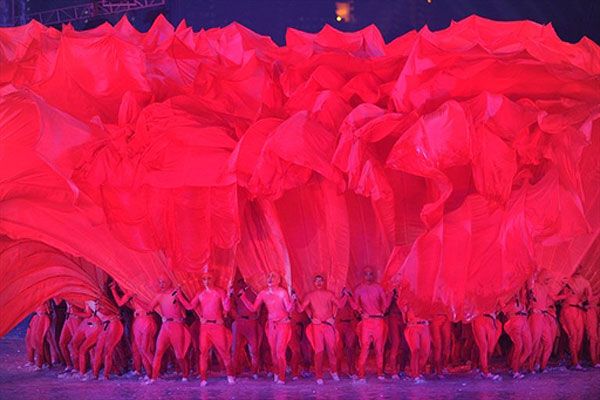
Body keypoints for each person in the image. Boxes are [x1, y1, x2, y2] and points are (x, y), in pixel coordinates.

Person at [177, 271, 235, 386]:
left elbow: (227, 308)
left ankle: (230, 375)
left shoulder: (219, 292)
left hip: (217, 326)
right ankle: (203, 378)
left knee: (224, 352)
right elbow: (189, 307)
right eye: (204, 279)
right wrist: (179, 295)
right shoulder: (200, 293)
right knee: (203, 353)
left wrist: (228, 295)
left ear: (213, 279)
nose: (206, 281)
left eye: (209, 278)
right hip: (205, 327)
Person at [240, 272, 294, 384]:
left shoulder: (282, 292)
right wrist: (243, 297)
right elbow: (253, 309)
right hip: (271, 325)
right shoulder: (263, 293)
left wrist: (293, 300)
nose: (270, 278)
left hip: (283, 324)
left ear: (278, 280)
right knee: (273, 351)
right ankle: (276, 373)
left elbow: (289, 309)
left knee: (280, 351)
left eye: (273, 276)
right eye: (268, 276)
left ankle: (282, 377)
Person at [346, 266, 393, 382]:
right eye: (366, 274)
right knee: (364, 348)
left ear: (373, 275)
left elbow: (385, 304)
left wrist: (391, 294)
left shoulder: (378, 287)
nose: (368, 276)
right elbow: (355, 305)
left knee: (379, 348)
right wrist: (360, 311)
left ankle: (380, 373)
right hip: (366, 322)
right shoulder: (358, 289)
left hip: (378, 321)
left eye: (370, 274)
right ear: (363, 275)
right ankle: (361, 375)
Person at [295, 274, 341, 384]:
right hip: (317, 326)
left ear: (324, 282)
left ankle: (334, 371)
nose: (319, 283)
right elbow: (301, 309)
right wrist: (295, 299)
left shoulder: (329, 294)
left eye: (321, 280)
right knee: (319, 351)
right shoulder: (310, 295)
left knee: (332, 350)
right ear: (314, 283)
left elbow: (339, 305)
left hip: (328, 325)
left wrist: (333, 317)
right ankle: (319, 376)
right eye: (317, 281)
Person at [146, 274, 191, 382]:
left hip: (176, 325)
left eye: (164, 282)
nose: (162, 284)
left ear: (169, 282)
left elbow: (188, 306)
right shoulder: (159, 295)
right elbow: (149, 308)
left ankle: (185, 375)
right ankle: (153, 378)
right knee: (158, 352)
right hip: (165, 326)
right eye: (160, 282)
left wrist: (181, 296)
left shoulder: (176, 292)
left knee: (179, 354)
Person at [110, 282, 157, 377]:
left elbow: (150, 308)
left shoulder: (145, 289)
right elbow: (120, 303)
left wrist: (136, 298)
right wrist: (113, 290)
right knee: (141, 350)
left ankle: (156, 374)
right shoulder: (130, 292)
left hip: (147, 318)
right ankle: (150, 375)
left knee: (146, 349)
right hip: (138, 320)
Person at [231, 278, 261, 378]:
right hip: (240, 322)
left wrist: (256, 316)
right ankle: (234, 372)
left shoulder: (255, 292)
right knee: (235, 348)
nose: (242, 284)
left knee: (254, 348)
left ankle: (254, 371)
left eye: (243, 282)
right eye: (240, 282)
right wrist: (236, 316)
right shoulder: (236, 292)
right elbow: (231, 306)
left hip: (251, 322)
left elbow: (257, 308)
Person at [397, 295, 431, 383]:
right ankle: (415, 375)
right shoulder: (407, 298)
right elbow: (404, 317)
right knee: (415, 350)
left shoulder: (426, 298)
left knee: (426, 352)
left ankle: (418, 371)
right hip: (413, 326)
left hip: (424, 326)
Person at [502, 289, 532, 379]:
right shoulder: (507, 301)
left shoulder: (522, 301)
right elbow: (502, 308)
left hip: (525, 323)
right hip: (515, 322)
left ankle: (516, 366)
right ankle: (515, 370)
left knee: (529, 348)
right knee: (519, 345)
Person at [471, 304, 501, 379]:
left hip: (490, 320)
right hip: (479, 318)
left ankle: (482, 366)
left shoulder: (495, 298)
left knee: (490, 348)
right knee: (483, 347)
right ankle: (485, 371)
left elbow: (499, 308)